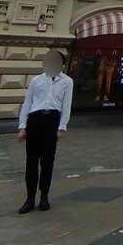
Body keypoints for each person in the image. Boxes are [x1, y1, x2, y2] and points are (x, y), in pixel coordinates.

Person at [17, 49, 73, 214]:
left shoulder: (67, 82)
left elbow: (66, 106)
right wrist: (22, 126)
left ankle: (44, 197)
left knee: (47, 161)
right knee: (31, 161)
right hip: (35, 119)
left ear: (62, 65)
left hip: (52, 120)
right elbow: (27, 104)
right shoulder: (36, 81)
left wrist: (62, 127)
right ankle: (29, 198)